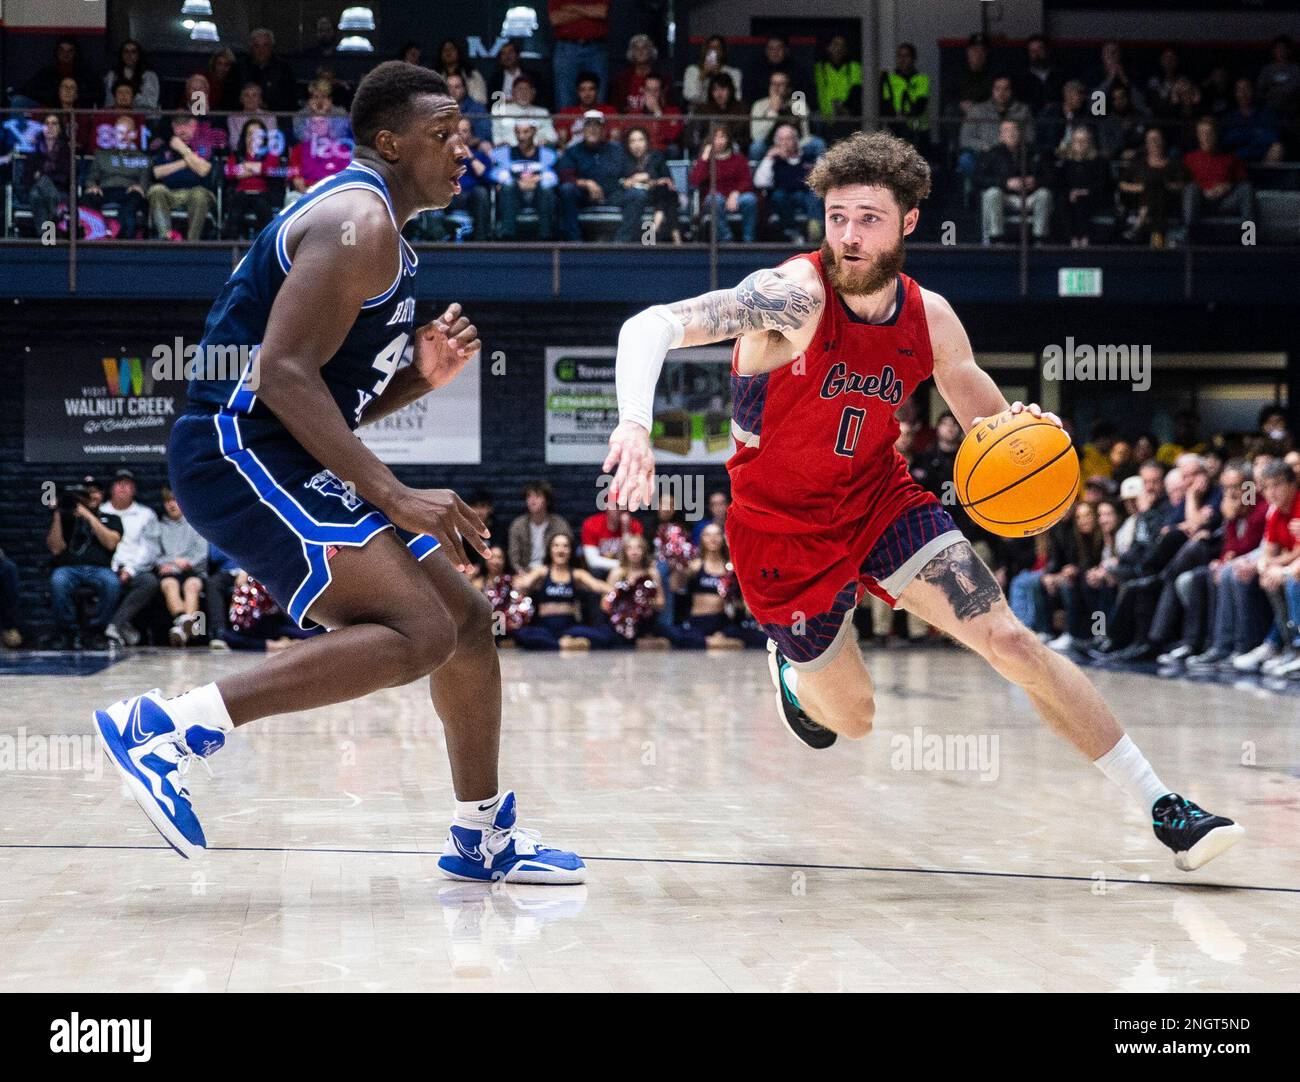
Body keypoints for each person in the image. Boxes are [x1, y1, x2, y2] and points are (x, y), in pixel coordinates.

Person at [602, 129, 1242, 871]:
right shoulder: (793, 296)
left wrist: (1031, 436)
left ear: (908, 222)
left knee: (1010, 641)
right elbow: (648, 324)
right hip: (782, 531)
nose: (848, 235)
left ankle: (1165, 807)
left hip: (881, 501)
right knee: (855, 718)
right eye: (837, 216)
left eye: (868, 218)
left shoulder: (929, 317)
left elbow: (991, 428)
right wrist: (634, 425)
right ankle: (793, 670)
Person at [93, 62, 584, 883]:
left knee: (462, 618)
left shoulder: (379, 228)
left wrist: (416, 382)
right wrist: (393, 493)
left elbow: (316, 394)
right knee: (419, 631)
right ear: (388, 142)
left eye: (462, 131)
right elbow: (281, 376)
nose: (463, 147)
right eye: (443, 132)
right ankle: (169, 729)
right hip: (233, 448)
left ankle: (483, 836)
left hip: (276, 445)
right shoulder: (359, 218)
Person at [46, 481, 122, 650]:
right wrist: (58, 513)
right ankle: (68, 632)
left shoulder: (111, 518)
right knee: (58, 581)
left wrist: (89, 516)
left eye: (95, 492)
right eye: (86, 493)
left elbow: (111, 543)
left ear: (102, 495)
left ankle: (96, 631)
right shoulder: (65, 519)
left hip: (100, 569)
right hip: (69, 569)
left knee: (112, 583)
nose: (90, 496)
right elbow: (55, 549)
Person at [511, 534, 613, 649]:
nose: (561, 550)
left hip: (570, 628)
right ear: (550, 550)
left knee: (606, 635)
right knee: (521, 634)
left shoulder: (577, 574)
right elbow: (524, 583)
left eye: (565, 546)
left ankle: (555, 644)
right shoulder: (542, 571)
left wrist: (617, 591)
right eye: (556, 546)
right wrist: (523, 583)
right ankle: (565, 644)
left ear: (570, 550)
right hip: (545, 628)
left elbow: (597, 585)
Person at [556, 111, 646, 242]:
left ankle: (621, 243)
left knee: (638, 195)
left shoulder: (616, 150)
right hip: (584, 197)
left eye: (597, 126)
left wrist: (630, 180)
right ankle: (574, 242)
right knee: (567, 190)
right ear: (583, 130)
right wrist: (586, 183)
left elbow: (629, 172)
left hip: (612, 194)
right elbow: (564, 176)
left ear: (603, 130)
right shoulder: (572, 151)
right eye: (589, 126)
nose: (592, 130)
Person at [103, 468, 161, 647]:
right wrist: (113, 568)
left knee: (150, 581)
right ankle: (119, 627)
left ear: (134, 489)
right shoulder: (100, 512)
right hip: (106, 568)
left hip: (135, 569)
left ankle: (114, 625)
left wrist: (129, 570)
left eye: (127, 484)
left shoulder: (146, 515)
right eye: (119, 484)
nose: (122, 488)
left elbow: (150, 549)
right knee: (103, 580)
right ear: (112, 488)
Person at [977, 119, 1053, 244]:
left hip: (1030, 196)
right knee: (992, 193)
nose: (1011, 133)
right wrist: (1005, 183)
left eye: (1014, 130)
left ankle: (1040, 238)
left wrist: (1036, 182)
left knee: (1044, 194)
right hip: (1006, 196)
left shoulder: (1034, 152)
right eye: (1006, 131)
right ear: (1000, 135)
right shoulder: (992, 154)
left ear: (1020, 133)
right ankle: (997, 238)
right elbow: (979, 178)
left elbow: (1051, 177)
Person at [1182, 116, 1255, 234]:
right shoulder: (1190, 159)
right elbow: (1184, 185)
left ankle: (1248, 239)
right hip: (1202, 201)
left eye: (1209, 134)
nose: (1206, 138)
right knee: (1191, 189)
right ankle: (1191, 236)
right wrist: (1204, 191)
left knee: (1247, 189)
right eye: (1202, 134)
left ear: (1215, 135)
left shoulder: (1229, 158)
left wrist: (1227, 186)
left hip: (1225, 200)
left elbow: (1243, 182)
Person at [148, 113, 215, 240]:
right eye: (178, 125)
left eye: (187, 124)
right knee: (156, 190)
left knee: (199, 194)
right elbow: (157, 172)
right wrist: (187, 162)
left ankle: (192, 241)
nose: (182, 129)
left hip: (197, 191)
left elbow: (204, 170)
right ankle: (166, 237)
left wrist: (183, 149)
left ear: (195, 125)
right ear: (173, 127)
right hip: (170, 193)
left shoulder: (203, 146)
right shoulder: (165, 148)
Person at [753, 123, 823, 242]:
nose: (785, 142)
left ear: (796, 140)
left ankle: (815, 229)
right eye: (781, 139)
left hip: (804, 195)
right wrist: (769, 158)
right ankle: (793, 231)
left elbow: (823, 178)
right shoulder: (773, 160)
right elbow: (760, 182)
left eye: (788, 138)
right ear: (776, 142)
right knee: (778, 196)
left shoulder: (808, 157)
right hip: (783, 197)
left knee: (815, 195)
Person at [157, 486, 209, 646]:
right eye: (167, 501)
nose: (171, 504)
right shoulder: (159, 526)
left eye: (175, 500)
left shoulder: (195, 523)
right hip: (169, 573)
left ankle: (181, 628)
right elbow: (154, 553)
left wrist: (186, 563)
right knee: (169, 584)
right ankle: (186, 623)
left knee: (191, 586)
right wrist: (172, 564)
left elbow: (202, 553)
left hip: (194, 572)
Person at [689, 124, 758, 243]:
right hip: (714, 199)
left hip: (736, 197)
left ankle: (749, 239)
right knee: (714, 199)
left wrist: (736, 194)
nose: (719, 141)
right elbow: (695, 181)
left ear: (728, 139)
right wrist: (704, 158)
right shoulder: (705, 161)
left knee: (750, 199)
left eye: (722, 137)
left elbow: (747, 181)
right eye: (715, 137)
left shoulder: (739, 159)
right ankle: (726, 238)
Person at [222, 118, 282, 239]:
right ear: (244, 137)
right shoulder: (237, 154)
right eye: (250, 134)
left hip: (263, 194)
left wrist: (246, 166)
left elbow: (270, 170)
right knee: (235, 212)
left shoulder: (270, 154)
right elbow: (230, 172)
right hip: (241, 193)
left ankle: (267, 245)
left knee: (262, 208)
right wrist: (258, 169)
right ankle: (230, 248)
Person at [622, 126, 679, 243]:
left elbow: (668, 181)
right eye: (633, 141)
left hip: (658, 195)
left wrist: (647, 178)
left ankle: (654, 229)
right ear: (628, 144)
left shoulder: (657, 156)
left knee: (666, 190)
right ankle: (675, 237)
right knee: (668, 196)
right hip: (637, 199)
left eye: (640, 140)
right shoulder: (624, 160)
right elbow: (624, 182)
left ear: (647, 142)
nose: (637, 145)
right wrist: (644, 180)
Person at [549, 1, 610, 108]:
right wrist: (588, 11)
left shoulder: (571, 7)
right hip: (567, 47)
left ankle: (596, 124)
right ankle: (566, 125)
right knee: (565, 97)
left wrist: (572, 8)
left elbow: (601, 12)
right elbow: (555, 19)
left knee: (598, 96)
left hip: (595, 47)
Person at [1056, 125, 1109, 247]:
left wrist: (1085, 192)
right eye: (1076, 140)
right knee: (1064, 200)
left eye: (1083, 141)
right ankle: (1072, 238)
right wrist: (1070, 193)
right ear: (1072, 143)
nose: (1079, 144)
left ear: (1089, 143)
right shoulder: (1066, 163)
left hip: (1094, 197)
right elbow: (1061, 183)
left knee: (1080, 201)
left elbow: (1103, 184)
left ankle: (1084, 237)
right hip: (1071, 197)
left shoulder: (1099, 162)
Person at [507, 481, 571, 572]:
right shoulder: (518, 525)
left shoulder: (560, 525)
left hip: (552, 572)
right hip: (525, 572)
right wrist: (521, 572)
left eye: (537, 496)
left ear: (547, 500)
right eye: (529, 496)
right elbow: (514, 557)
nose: (532, 500)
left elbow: (567, 554)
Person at [879, 43, 929, 149]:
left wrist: (906, 116)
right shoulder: (890, 79)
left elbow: (921, 102)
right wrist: (895, 119)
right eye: (900, 56)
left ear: (913, 58)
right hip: (895, 128)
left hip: (918, 129)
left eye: (906, 56)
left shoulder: (922, 79)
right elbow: (885, 103)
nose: (902, 60)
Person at [683, 35, 744, 107]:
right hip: (699, 114)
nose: (713, 51)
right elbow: (690, 96)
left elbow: (737, 97)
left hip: (723, 114)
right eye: (710, 48)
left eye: (717, 48)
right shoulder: (692, 71)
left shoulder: (734, 73)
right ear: (704, 50)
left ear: (723, 52)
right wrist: (703, 75)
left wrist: (718, 75)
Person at [103, 39, 159, 110]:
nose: (129, 55)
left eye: (133, 52)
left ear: (138, 55)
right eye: (126, 51)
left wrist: (130, 96)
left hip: (145, 116)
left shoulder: (150, 76)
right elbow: (109, 102)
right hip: (118, 115)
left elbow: (151, 103)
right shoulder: (112, 75)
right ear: (122, 54)